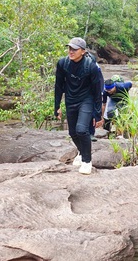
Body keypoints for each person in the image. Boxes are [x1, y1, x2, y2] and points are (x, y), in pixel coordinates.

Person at [54, 37, 104, 175]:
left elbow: (97, 91)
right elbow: (58, 85)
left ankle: (87, 161)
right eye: (70, 48)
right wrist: (56, 105)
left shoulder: (91, 67)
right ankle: (81, 152)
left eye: (74, 49)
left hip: (86, 100)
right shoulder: (63, 63)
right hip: (70, 100)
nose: (71, 51)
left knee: (81, 130)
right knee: (73, 133)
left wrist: (97, 113)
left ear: (83, 51)